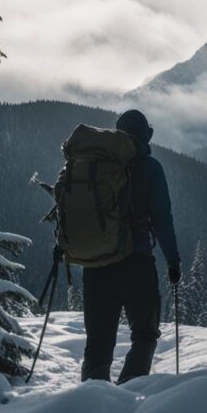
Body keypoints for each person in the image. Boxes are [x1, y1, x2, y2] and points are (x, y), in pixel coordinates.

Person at [80, 109, 182, 384]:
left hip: (95, 263)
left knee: (98, 340)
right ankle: (127, 396)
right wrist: (173, 261)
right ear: (146, 135)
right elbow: (162, 219)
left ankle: (89, 406)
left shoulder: (94, 164)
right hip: (135, 262)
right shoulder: (150, 168)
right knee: (145, 335)